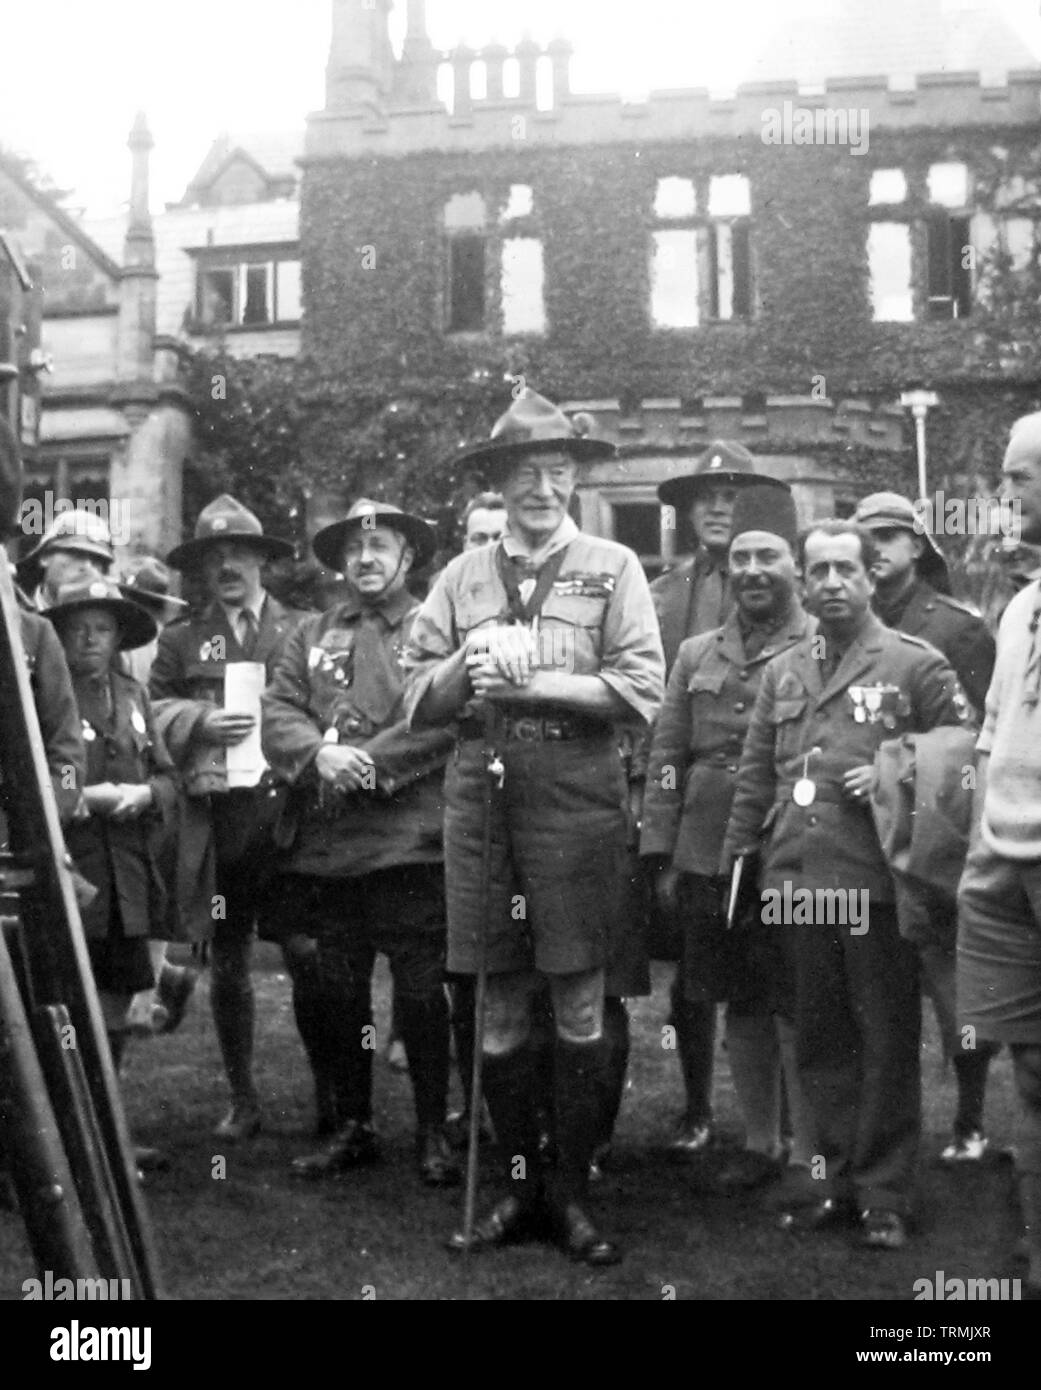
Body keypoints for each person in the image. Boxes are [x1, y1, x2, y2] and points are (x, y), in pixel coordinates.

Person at [403, 388, 664, 1265]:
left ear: (575, 479)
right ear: (501, 480)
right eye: (525, 472)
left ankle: (574, 1195)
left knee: (579, 998)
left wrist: (536, 683)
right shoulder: (460, 576)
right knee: (500, 1003)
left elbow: (638, 690)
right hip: (481, 794)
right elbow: (414, 702)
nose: (543, 487)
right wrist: (465, 663)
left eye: (557, 471)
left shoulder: (612, 565)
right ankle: (519, 1189)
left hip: (575, 794)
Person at [721, 519, 970, 1250]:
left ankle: (884, 1191)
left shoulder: (912, 663)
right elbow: (755, 774)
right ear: (803, 578)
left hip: (874, 885)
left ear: (870, 579)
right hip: (798, 881)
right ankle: (825, 1179)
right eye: (819, 570)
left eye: (845, 571)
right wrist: (740, 864)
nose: (831, 583)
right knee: (818, 1037)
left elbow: (962, 759)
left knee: (886, 1038)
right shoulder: (783, 670)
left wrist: (897, 770)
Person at [262, 499, 459, 1186]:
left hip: (410, 839)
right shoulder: (311, 632)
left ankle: (434, 1131)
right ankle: (353, 1124)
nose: (366, 558)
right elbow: (278, 709)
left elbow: (447, 715)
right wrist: (317, 754)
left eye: (380, 545)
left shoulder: (436, 629)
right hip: (330, 842)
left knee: (420, 988)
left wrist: (368, 763)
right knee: (336, 986)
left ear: (408, 557)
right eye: (354, 548)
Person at [641, 483, 817, 1193]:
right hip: (706, 849)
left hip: (791, 847)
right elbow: (665, 756)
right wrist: (660, 850)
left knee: (797, 996)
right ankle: (759, 1139)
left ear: (795, 567)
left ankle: (812, 1148)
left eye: (767, 556)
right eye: (739, 556)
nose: (750, 570)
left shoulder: (819, 642)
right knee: (738, 995)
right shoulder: (693, 654)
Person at [149, 494, 308, 1140]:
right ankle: (243, 1095)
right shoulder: (182, 637)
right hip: (221, 817)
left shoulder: (303, 629)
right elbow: (149, 710)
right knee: (231, 957)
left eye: (240, 554)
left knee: (307, 950)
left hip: (292, 810)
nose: (228, 567)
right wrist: (198, 720)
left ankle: (335, 1096)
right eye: (214, 558)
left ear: (262, 561)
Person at [855, 490, 999, 1163]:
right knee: (871, 989)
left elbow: (974, 740)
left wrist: (897, 774)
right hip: (854, 835)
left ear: (917, 546)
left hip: (932, 831)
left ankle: (969, 1122)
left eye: (889, 536)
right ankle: (878, 1131)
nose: (874, 549)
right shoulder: (835, 621)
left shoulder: (957, 630)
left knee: (951, 987)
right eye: (864, 538)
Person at [650, 440, 781, 1156]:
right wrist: (658, 831)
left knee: (772, 972)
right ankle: (696, 1106)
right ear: (686, 509)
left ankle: (776, 1127)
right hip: (691, 816)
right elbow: (657, 721)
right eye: (705, 496)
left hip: (768, 815)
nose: (718, 506)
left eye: (731, 495)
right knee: (690, 977)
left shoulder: (779, 589)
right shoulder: (663, 595)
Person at [47, 576, 179, 1170]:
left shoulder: (133, 696)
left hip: (129, 874)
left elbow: (168, 776)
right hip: (76, 874)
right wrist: (96, 795)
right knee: (71, 1008)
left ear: (119, 636)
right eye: (77, 629)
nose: (90, 638)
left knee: (122, 1004)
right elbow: (52, 777)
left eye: (102, 628)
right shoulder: (48, 697)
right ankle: (69, 1139)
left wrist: (145, 793)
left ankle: (108, 1126)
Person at [958, 411, 1041, 1295]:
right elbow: (989, 732)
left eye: (1017, 476)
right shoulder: (1020, 604)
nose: (1002, 493)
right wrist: (984, 839)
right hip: (1002, 864)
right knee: (1029, 1064)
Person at [118, 557, 197, 1037]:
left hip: (151, 767)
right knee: (146, 889)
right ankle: (162, 981)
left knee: (151, 887)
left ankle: (146, 995)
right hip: (146, 767)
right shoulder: (155, 643)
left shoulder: (149, 648)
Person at [17, 508, 115, 611]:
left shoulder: (114, 618)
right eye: (76, 554)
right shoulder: (10, 612)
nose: (87, 566)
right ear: (45, 556)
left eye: (97, 560)